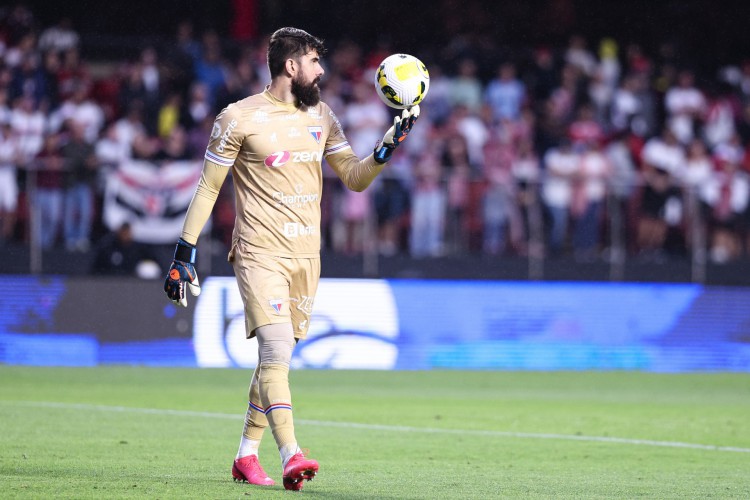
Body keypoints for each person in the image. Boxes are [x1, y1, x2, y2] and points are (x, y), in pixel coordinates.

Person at [162, 27, 419, 490]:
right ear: (291, 66)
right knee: (276, 350)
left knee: (273, 364)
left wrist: (386, 147)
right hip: (259, 252)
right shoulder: (238, 117)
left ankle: (245, 456)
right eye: (315, 61)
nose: (322, 70)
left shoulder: (322, 116)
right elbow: (208, 187)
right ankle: (291, 454)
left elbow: (355, 178)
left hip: (306, 256)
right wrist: (185, 251)